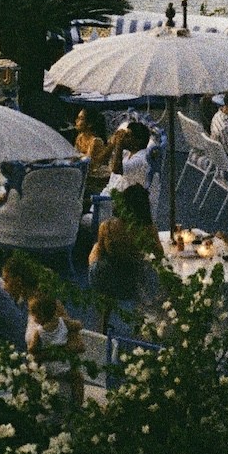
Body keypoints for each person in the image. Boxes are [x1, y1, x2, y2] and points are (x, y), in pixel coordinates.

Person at [88, 183, 164, 321]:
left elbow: (100, 250)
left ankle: (102, 318)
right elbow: (159, 253)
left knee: (95, 249)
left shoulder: (107, 226)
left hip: (105, 278)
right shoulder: (149, 229)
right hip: (132, 280)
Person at [26, 290, 83, 408]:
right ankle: (78, 405)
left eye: (33, 314)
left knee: (31, 374)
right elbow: (78, 325)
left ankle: (32, 402)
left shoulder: (39, 331)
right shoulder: (63, 322)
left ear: (40, 315)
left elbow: (32, 349)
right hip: (64, 365)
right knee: (78, 379)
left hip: (48, 368)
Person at [72, 106, 113, 192]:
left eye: (81, 119)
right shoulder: (80, 137)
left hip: (97, 177)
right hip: (86, 173)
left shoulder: (95, 141)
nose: (76, 121)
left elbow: (88, 164)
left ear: (89, 124)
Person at [107, 118, 153, 191]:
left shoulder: (141, 159)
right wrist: (113, 142)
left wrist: (119, 145)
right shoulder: (127, 153)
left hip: (123, 199)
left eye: (128, 136)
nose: (124, 138)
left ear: (138, 141)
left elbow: (117, 170)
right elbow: (107, 161)